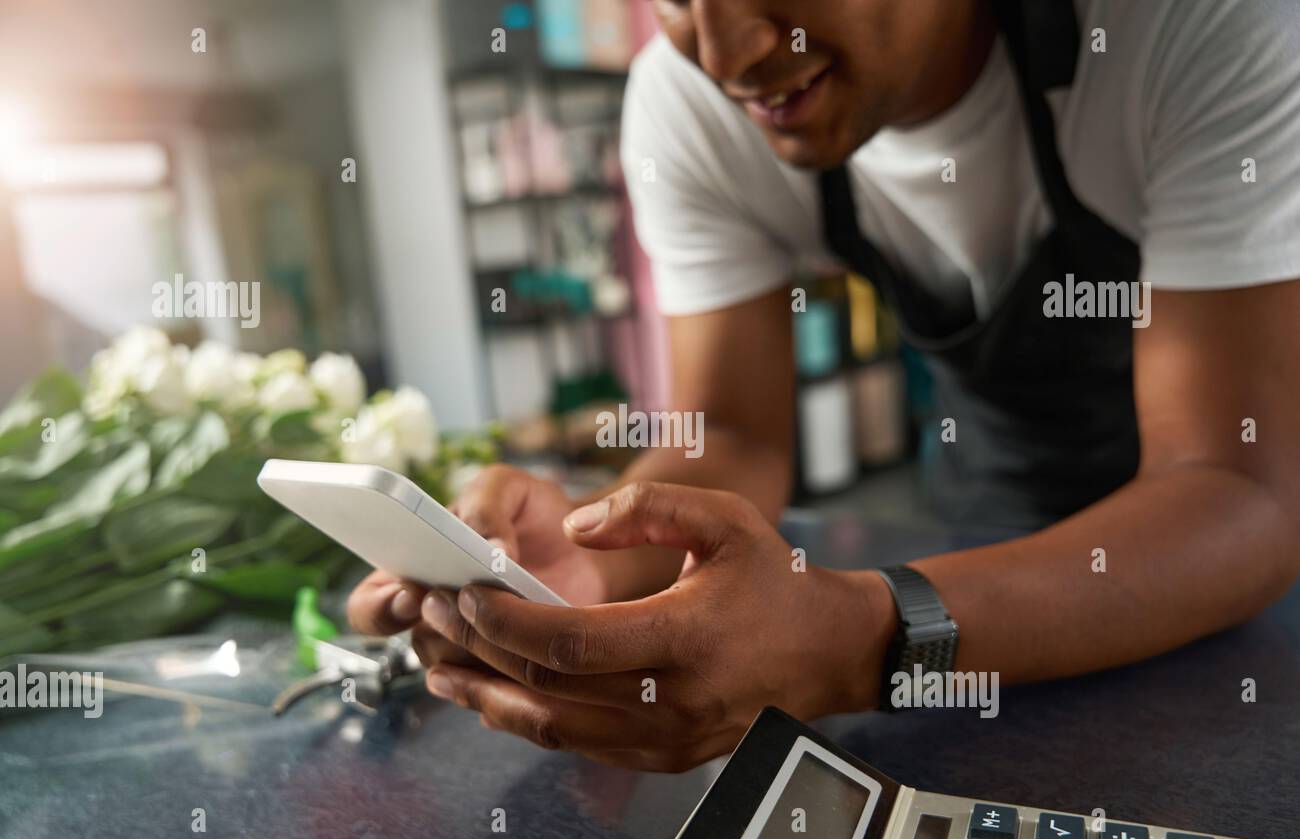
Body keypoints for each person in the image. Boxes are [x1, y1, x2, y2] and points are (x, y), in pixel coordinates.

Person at [349, 0, 1300, 771]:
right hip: (983, 528)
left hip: (1233, 559)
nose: (730, 51)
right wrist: (590, 559)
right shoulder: (689, 99)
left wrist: (854, 638)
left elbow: (1238, 485)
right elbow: (736, 435)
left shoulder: (1199, 23)